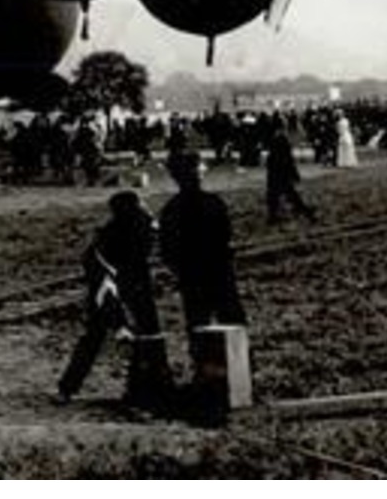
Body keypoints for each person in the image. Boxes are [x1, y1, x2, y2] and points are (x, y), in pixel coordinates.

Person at [57, 191, 180, 413]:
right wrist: (120, 324)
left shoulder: (135, 227)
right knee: (96, 333)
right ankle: (68, 387)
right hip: (118, 277)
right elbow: (105, 294)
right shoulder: (103, 252)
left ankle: (151, 387)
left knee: (149, 330)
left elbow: (157, 235)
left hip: (134, 275)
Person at [158, 151, 246, 366]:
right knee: (233, 319)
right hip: (219, 270)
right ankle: (240, 366)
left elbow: (167, 249)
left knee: (197, 322)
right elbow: (225, 236)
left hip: (191, 274)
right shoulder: (213, 203)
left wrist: (180, 268)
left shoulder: (171, 210)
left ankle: (203, 368)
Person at [264, 119, 316, 223]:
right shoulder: (282, 140)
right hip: (282, 173)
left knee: (275, 195)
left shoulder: (273, 139)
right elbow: (288, 159)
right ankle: (305, 211)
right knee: (289, 194)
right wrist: (294, 173)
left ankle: (273, 216)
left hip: (275, 172)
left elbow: (271, 158)